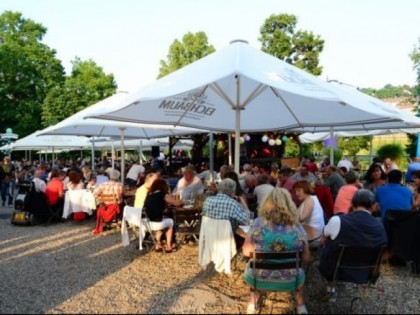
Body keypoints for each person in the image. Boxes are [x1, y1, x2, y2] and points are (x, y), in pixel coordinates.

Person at [242, 188, 310, 315]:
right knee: (300, 272)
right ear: (289, 205)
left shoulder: (257, 224)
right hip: (291, 280)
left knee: (252, 267)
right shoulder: (297, 226)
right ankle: (301, 306)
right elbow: (306, 258)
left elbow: (246, 252)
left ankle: (252, 303)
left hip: (259, 278)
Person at [318, 189, 388, 301]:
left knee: (326, 246)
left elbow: (323, 240)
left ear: (353, 203)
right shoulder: (380, 226)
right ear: (372, 206)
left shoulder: (337, 220)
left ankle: (331, 290)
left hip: (335, 270)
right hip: (365, 273)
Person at [143, 178, 182, 252]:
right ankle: (169, 246)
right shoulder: (162, 194)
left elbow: (153, 206)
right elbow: (176, 203)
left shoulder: (149, 194)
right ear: (163, 186)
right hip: (156, 222)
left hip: (147, 222)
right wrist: (182, 201)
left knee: (162, 220)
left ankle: (158, 245)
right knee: (170, 222)